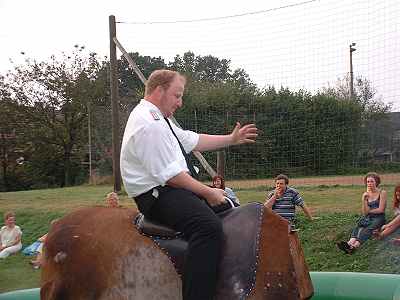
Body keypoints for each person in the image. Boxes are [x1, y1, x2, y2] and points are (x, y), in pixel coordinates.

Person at [120, 69, 258, 300]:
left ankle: (226, 282)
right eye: (177, 95)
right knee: (207, 228)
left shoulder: (159, 119)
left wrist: (231, 139)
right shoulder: (148, 123)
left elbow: (191, 139)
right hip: (157, 195)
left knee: (229, 208)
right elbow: (172, 176)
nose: (180, 102)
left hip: (171, 189)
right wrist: (209, 192)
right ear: (159, 90)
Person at [337, 172, 387, 254]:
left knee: (368, 229)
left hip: (379, 217)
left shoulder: (382, 192)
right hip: (368, 217)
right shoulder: (366, 194)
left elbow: (381, 209)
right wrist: (363, 200)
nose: (369, 183)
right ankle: (349, 243)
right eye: (368, 182)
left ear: (377, 182)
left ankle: (354, 246)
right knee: (358, 226)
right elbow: (364, 212)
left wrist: (369, 211)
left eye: (372, 181)